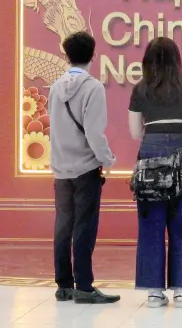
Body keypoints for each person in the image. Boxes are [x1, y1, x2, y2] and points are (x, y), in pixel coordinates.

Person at [128, 37, 182, 308]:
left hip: (150, 155)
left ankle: (153, 291)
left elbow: (135, 131)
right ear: (176, 60)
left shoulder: (141, 89)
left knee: (151, 224)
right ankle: (181, 290)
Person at [48, 31, 119, 305]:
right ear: (94, 55)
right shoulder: (93, 88)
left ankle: (64, 286)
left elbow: (54, 128)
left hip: (61, 168)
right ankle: (85, 286)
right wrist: (107, 159)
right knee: (84, 227)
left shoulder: (55, 87)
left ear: (67, 55)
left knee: (62, 225)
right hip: (86, 168)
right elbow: (94, 133)